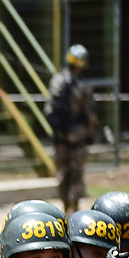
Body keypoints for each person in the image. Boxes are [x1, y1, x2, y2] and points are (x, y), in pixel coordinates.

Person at [46, 45, 98, 213]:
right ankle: (74, 209)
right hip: (78, 138)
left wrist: (58, 131)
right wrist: (91, 133)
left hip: (60, 138)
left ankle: (64, 206)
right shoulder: (84, 85)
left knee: (62, 173)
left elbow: (49, 110)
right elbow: (90, 113)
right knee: (76, 174)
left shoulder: (56, 81)